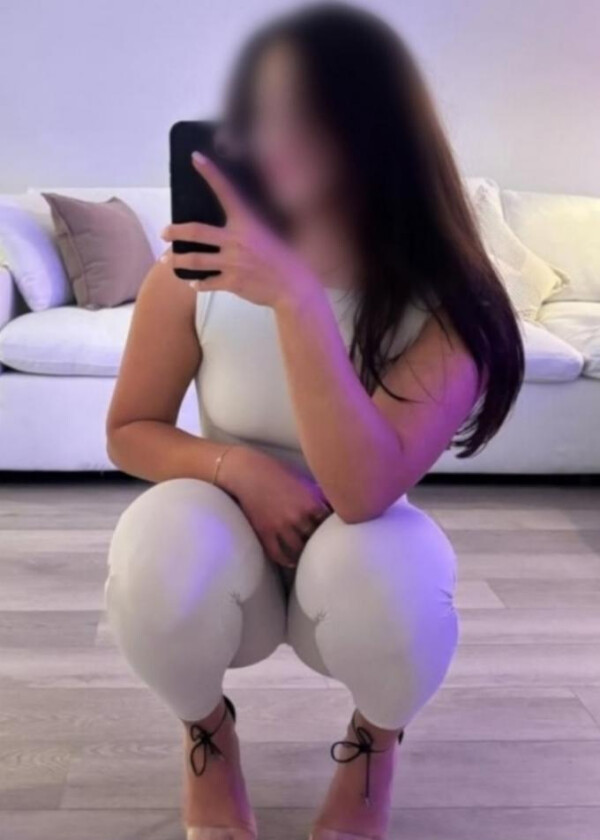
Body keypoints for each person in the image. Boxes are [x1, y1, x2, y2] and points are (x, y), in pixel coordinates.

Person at [105, 4, 524, 839]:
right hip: (230, 540)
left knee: (401, 594)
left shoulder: (451, 302)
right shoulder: (190, 275)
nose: (272, 135)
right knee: (154, 558)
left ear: (380, 136)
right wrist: (240, 470)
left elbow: (363, 489)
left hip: (355, 543)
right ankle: (207, 735)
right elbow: (129, 430)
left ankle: (374, 744)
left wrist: (298, 299)